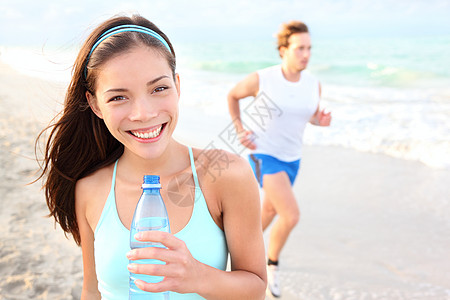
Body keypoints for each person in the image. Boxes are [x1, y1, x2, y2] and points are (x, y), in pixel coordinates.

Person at [36, 14, 267, 299]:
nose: (143, 113)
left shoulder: (226, 174)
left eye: (159, 88)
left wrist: (198, 276)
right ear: (94, 104)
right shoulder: (90, 188)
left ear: (177, 86)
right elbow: (92, 291)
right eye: (118, 97)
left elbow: (255, 287)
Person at [227, 20, 331, 298]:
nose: (306, 54)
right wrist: (240, 129)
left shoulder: (313, 84)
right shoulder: (265, 79)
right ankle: (270, 264)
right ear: (283, 50)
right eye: (299, 48)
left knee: (271, 211)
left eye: (309, 48)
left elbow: (307, 116)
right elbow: (233, 95)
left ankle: (234, 250)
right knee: (291, 215)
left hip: (292, 159)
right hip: (264, 155)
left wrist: (320, 121)